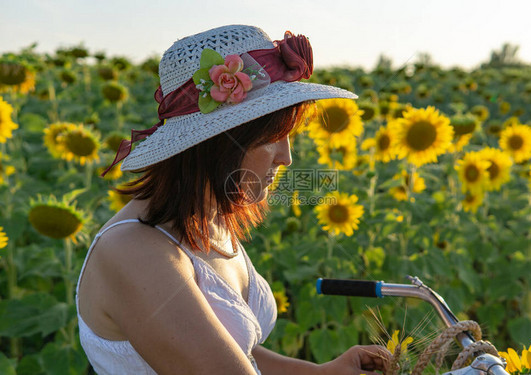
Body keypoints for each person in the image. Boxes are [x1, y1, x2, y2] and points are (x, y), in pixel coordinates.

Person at [76, 24, 391, 374]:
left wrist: (321, 372)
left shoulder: (210, 218)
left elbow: (236, 353)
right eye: (272, 137)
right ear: (220, 143)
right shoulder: (135, 251)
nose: (286, 158)